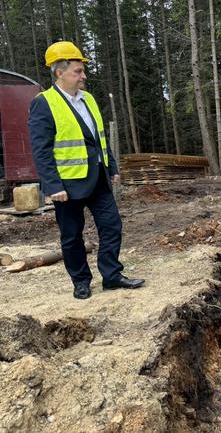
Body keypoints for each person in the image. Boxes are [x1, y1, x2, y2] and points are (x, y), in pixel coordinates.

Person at [28, 41, 144, 299]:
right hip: (67, 185)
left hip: (99, 178)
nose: (84, 76)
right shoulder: (44, 103)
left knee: (112, 226)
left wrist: (111, 166)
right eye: (78, 71)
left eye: (82, 71)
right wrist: (53, 185)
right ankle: (81, 281)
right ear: (60, 72)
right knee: (71, 237)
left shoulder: (88, 99)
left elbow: (99, 137)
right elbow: (41, 150)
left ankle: (112, 276)